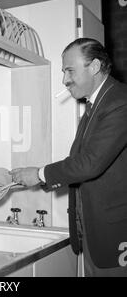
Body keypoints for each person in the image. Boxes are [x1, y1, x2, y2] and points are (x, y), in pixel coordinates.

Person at [10, 38, 127, 277]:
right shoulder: (97, 103)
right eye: (64, 71)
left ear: (94, 67)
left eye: (70, 70)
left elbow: (90, 164)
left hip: (114, 232)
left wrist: (40, 174)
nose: (64, 80)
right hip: (95, 230)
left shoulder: (119, 101)